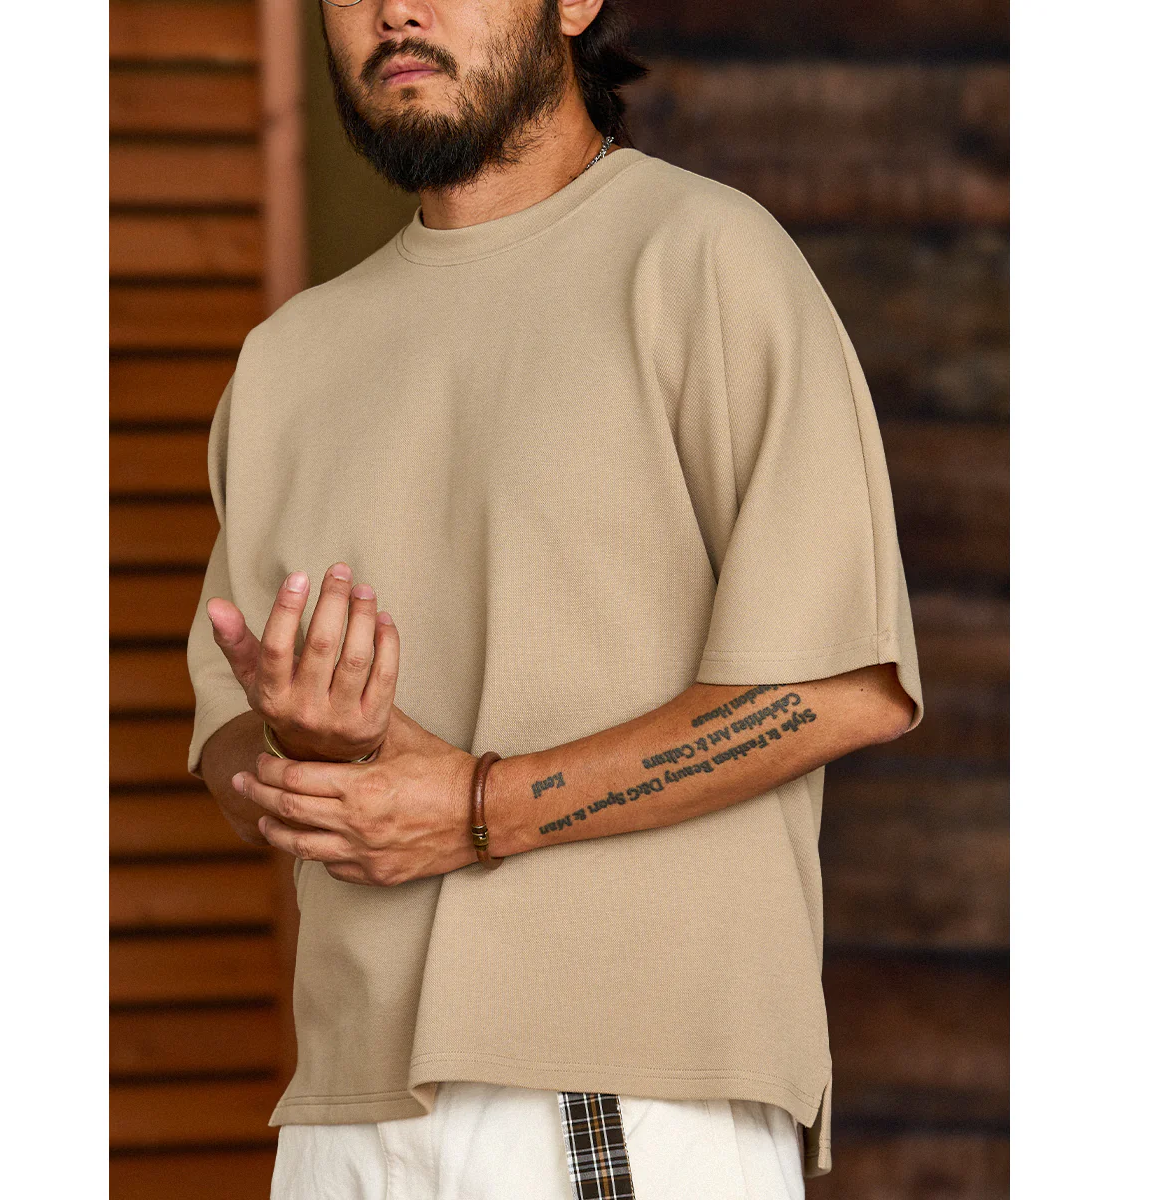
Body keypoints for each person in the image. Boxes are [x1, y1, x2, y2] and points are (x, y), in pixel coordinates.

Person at [185, 1, 925, 1196]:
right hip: (343, 1115)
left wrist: (477, 807)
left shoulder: (705, 258)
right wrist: (311, 755)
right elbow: (229, 748)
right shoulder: (287, 358)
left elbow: (840, 688)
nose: (396, 10)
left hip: (625, 1087)